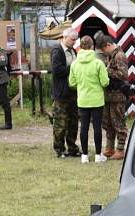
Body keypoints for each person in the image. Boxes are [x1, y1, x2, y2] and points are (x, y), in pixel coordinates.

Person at [68, 35, 109, 163]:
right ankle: (98, 155)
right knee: (97, 127)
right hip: (97, 100)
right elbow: (105, 82)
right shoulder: (98, 63)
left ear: (80, 47)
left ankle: (84, 155)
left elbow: (71, 83)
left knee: (84, 128)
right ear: (92, 47)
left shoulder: (75, 64)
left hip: (83, 100)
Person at [95, 33, 129, 160]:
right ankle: (109, 148)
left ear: (108, 45)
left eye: (104, 50)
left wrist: (105, 70)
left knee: (119, 123)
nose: (104, 53)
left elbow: (123, 74)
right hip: (109, 95)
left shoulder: (119, 56)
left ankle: (120, 149)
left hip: (118, 95)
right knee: (108, 123)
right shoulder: (111, 56)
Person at [50, 27, 81, 158]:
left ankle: (72, 148)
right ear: (64, 37)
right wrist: (73, 68)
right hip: (61, 93)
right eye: (72, 40)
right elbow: (57, 70)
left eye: (75, 40)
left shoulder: (73, 50)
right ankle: (59, 149)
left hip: (73, 93)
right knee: (60, 124)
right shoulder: (57, 51)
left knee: (73, 123)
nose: (74, 42)